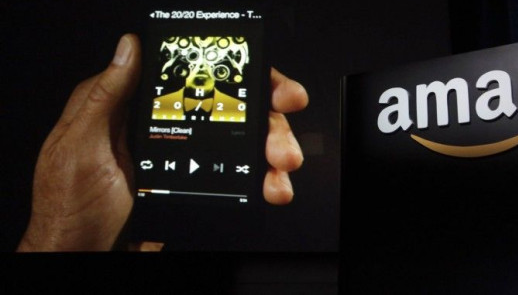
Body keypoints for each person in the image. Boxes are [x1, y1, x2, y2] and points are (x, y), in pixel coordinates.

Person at [16, 33, 307, 252]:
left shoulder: (237, 107)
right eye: (190, 62)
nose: (200, 73)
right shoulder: (161, 106)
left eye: (214, 63)